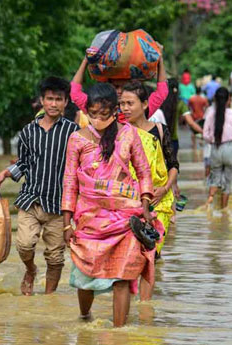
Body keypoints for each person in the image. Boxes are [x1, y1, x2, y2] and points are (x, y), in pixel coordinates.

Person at [61, 83, 158, 327]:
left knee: (122, 277)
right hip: (89, 220)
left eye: (104, 114)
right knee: (85, 277)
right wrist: (66, 223)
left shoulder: (129, 134)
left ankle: (119, 334)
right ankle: (84, 318)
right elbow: (70, 182)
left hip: (125, 219)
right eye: (92, 114)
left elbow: (144, 172)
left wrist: (146, 207)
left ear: (115, 111)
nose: (98, 120)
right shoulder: (77, 140)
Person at [0, 77, 79, 296]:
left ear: (66, 102)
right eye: (49, 99)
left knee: (56, 257)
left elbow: (82, 166)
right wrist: (5, 173)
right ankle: (30, 270)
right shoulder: (28, 132)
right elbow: (23, 163)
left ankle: (49, 300)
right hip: (31, 199)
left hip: (60, 205)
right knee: (24, 245)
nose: (53, 104)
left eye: (58, 99)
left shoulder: (74, 132)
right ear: (42, 100)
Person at [120, 81, 178, 300]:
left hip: (158, 203)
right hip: (128, 202)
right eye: (122, 103)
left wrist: (165, 188)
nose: (125, 108)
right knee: (129, 255)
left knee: (150, 255)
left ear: (144, 104)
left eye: (130, 103)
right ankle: (127, 303)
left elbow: (173, 165)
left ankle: (145, 307)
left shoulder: (159, 131)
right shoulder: (118, 134)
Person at [70, 56, 168, 122]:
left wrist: (160, 61)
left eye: (124, 87)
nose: (120, 91)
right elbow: (74, 92)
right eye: (116, 87)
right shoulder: (98, 107)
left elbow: (162, 92)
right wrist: (85, 61)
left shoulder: (140, 109)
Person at [202, 87, 232, 209]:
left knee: (214, 179)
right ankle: (223, 211)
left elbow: (205, 134)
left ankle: (209, 202)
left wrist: (213, 140)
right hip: (230, 149)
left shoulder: (210, 114)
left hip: (216, 148)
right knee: (227, 182)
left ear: (215, 99)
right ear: (229, 100)